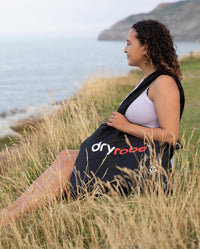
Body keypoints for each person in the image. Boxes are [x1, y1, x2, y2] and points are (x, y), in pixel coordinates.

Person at [0, 20, 184, 227]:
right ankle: (7, 212)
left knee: (70, 162)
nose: (125, 49)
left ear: (146, 46)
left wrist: (125, 126)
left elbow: (171, 136)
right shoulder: (149, 80)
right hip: (132, 154)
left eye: (129, 43)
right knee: (66, 155)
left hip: (147, 165)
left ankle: (10, 219)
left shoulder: (164, 83)